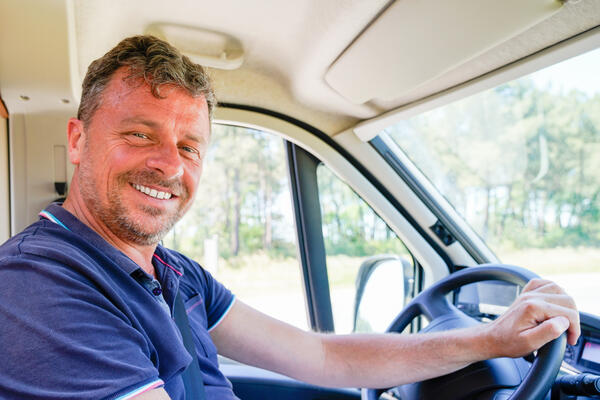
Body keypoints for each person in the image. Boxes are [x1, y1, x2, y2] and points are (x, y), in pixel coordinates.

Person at [0, 35, 580, 400]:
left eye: (190, 146)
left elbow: (322, 357)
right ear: (78, 141)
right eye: (138, 134)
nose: (169, 166)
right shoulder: (33, 288)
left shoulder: (178, 274)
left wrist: (493, 339)